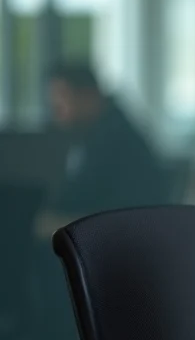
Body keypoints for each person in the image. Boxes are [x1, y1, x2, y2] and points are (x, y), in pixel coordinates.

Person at [35, 63, 168, 237]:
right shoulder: (102, 131)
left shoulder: (114, 139)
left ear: (88, 96)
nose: (56, 109)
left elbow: (92, 200)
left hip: (118, 238)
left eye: (62, 98)